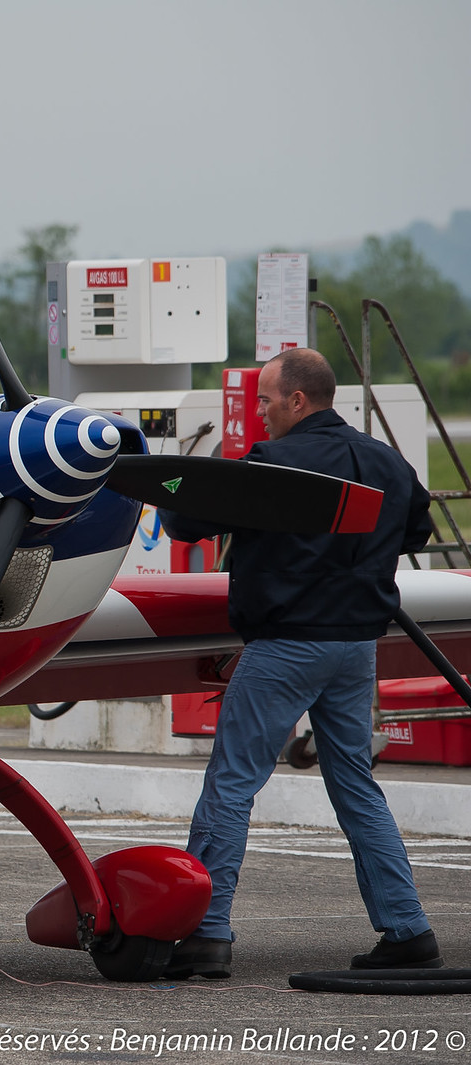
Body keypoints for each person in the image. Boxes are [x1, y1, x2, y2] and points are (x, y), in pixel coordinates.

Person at [160, 347, 439, 980]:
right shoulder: (385, 461)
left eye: (264, 400)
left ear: (297, 400)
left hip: (288, 645)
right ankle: (407, 929)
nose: (258, 413)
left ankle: (205, 932)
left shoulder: (273, 464)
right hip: (356, 647)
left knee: (231, 785)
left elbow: (183, 522)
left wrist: (174, 482)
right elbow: (416, 532)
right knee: (356, 786)